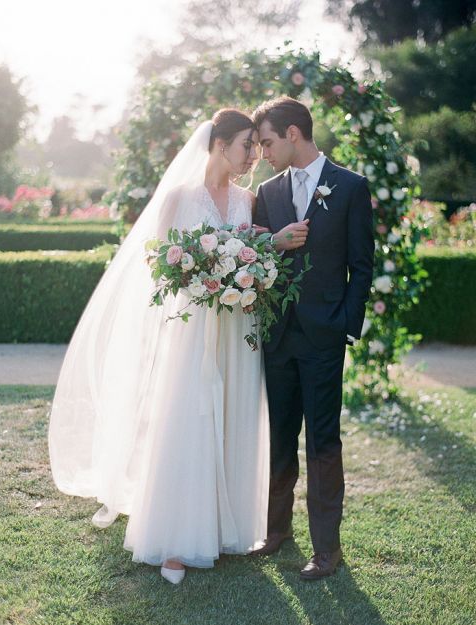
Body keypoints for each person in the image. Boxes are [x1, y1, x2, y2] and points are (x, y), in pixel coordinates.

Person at [48, 109, 270, 585]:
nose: (253, 154)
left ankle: (225, 529)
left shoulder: (248, 201)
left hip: (236, 326)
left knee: (232, 413)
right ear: (219, 144)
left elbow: (258, 255)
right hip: (191, 328)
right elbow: (156, 264)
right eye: (246, 144)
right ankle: (176, 537)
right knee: (187, 418)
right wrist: (201, 275)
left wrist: (237, 275)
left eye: (256, 145)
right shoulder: (177, 199)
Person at [251, 96, 374, 579]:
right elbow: (259, 258)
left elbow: (361, 266)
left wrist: (343, 323)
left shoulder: (349, 187)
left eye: (267, 142)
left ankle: (327, 549)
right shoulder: (267, 191)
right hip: (278, 337)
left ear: (294, 134)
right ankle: (276, 532)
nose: (263, 152)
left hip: (323, 339)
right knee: (280, 436)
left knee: (323, 441)